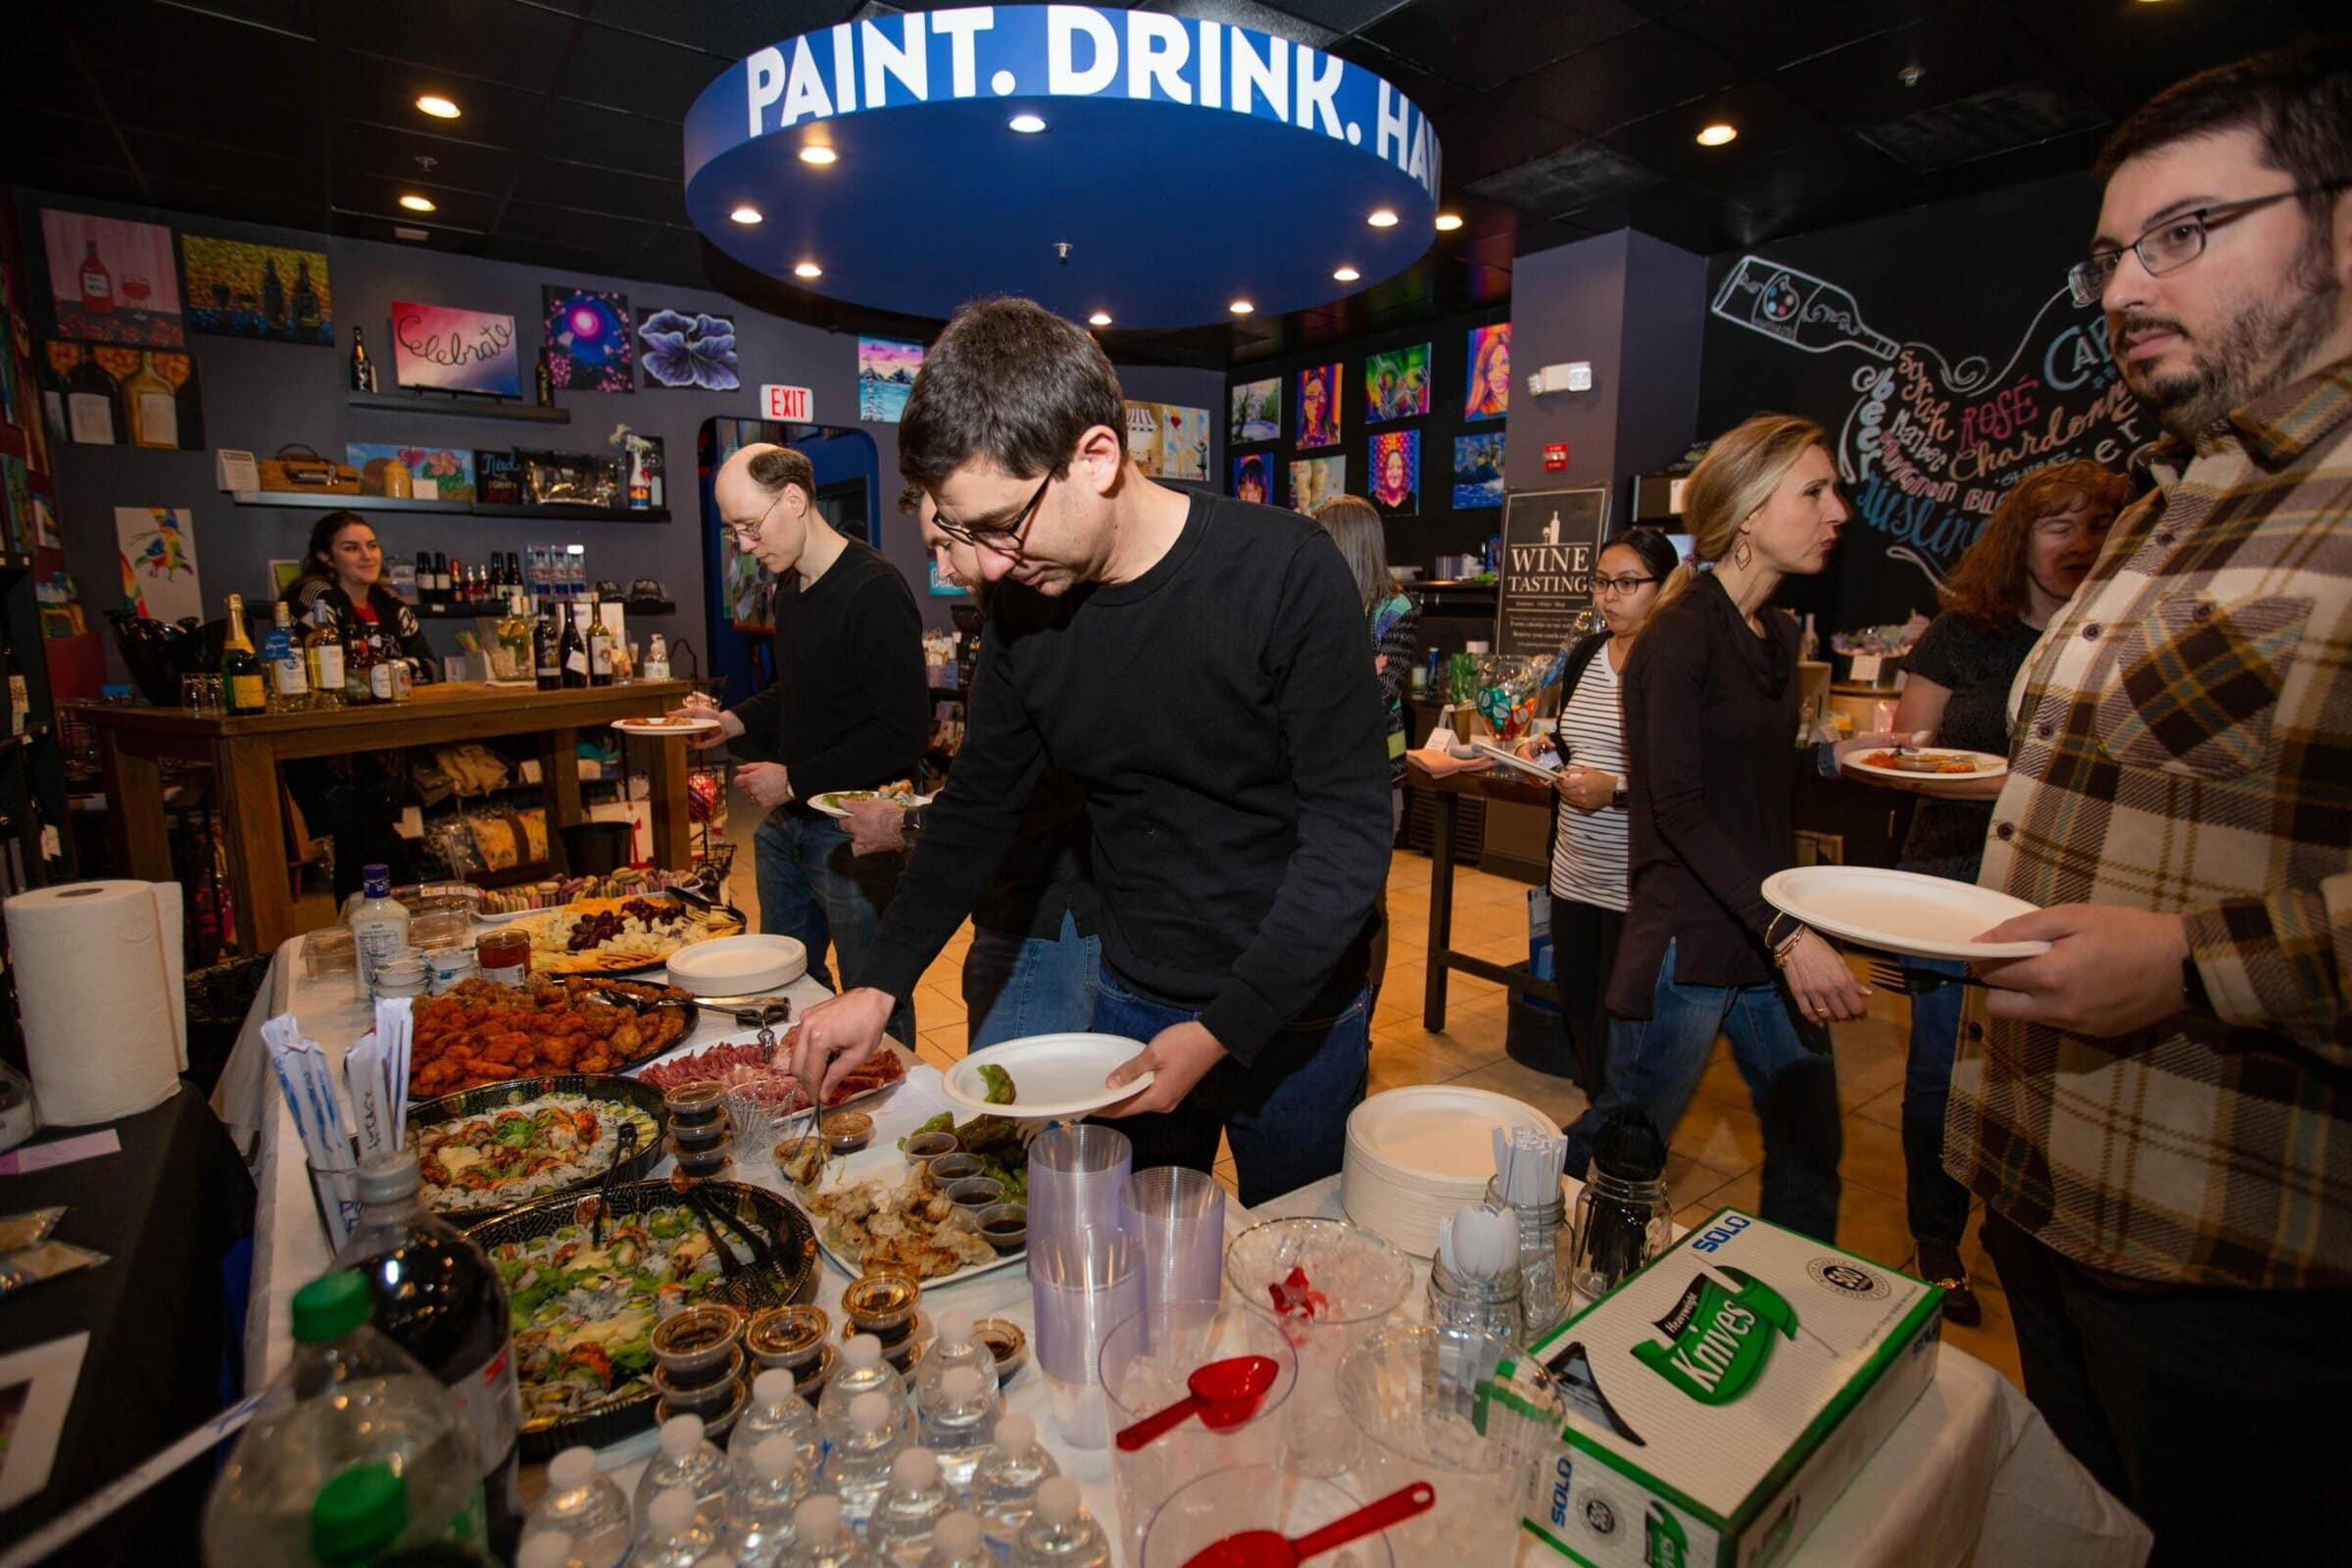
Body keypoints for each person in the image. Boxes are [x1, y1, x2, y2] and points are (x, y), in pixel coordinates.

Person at [1938, 46, 2352, 1556]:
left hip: (2244, 1282)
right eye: (2110, 252)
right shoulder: (2166, 504)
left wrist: (2190, 968)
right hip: (2046, 1207)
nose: (2121, 288)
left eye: (2185, 232)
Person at [789, 297, 1392, 1207]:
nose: (986, 566)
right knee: (1135, 1259)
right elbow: (978, 811)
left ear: (1097, 457)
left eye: (1000, 525)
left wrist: (1226, 1028)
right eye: (963, 533)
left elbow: (1349, 834)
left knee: (1299, 1263)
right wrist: (877, 985)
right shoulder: (1027, 605)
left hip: (1297, 1006)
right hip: (1137, 992)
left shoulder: (1286, 572)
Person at [1559, 415, 1908, 1243]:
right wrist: (1788, 935)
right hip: (1690, 942)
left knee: (1809, 1145)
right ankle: (1547, 1269)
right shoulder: (1676, 639)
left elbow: (1750, 781)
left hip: (1759, 928)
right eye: (1814, 491)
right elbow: (1676, 809)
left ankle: (1795, 1312)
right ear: (1749, 511)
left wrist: (1841, 760)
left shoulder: (1778, 634)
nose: (1839, 513)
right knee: (1623, 1151)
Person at [1849, 459, 2125, 1326]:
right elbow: (1908, 752)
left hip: (2068, 882)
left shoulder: (2121, 628)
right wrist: (1967, 778)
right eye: (2058, 527)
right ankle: (1938, 1244)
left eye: (2096, 526)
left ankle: (2032, 1236)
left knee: (2051, 1070)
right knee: (1945, 1066)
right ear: (2019, 540)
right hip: (1949, 870)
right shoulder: (1963, 635)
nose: (2079, 544)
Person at [668, 443, 926, 1050]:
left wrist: (792, 779)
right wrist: (731, 721)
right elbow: (800, 689)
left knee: (872, 995)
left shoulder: (874, 589)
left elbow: (903, 731)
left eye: (750, 526)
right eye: (734, 531)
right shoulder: (790, 590)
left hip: (850, 829)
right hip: (788, 827)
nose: (745, 544)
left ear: (794, 499)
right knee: (786, 983)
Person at [843, 485, 1100, 1050]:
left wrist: (904, 825)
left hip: (1047, 922)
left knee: (1022, 1126)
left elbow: (1022, 805)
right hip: (1019, 911)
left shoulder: (1044, 633)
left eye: (947, 544)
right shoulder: (1016, 629)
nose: (947, 568)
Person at [1522, 526, 1679, 1091]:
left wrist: (1613, 791)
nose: (1609, 597)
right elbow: (1582, 740)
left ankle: (1622, 1144)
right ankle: (1598, 1114)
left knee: (1629, 1025)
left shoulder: (1676, 662)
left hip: (1634, 882)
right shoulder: (1590, 651)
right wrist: (1546, 747)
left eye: (1627, 583)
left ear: (1664, 587)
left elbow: (1685, 778)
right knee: (1582, 1011)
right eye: (1601, 583)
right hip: (1573, 871)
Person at [1312, 496, 1417, 839]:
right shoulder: (1312, 603)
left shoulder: (1396, 609)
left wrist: (1332, 676)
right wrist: (1358, 671)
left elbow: (1381, 696)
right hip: (1315, 775)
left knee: (1369, 890)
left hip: (1376, 776)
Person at [282, 512, 436, 672]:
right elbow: (332, 670)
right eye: (351, 548)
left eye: (372, 546)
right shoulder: (315, 597)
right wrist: (396, 669)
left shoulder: (392, 605)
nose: (367, 556)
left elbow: (430, 666)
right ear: (325, 556)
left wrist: (378, 669)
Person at [1466, 327, 1510, 420]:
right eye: (1490, 368)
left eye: (1505, 362)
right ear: (1483, 373)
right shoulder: (1477, 416)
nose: (1497, 374)